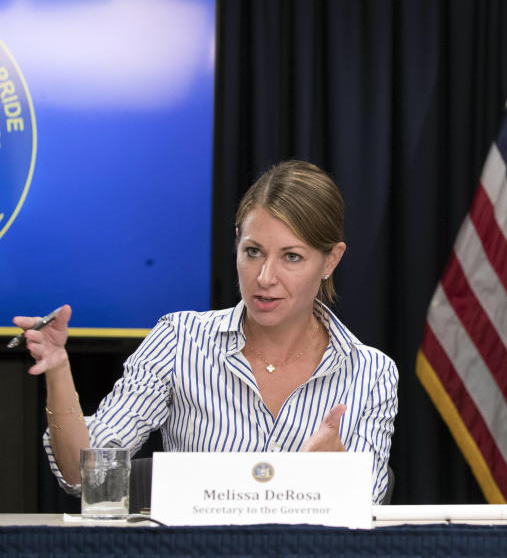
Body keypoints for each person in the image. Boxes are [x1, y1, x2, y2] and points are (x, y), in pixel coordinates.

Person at [15, 160, 398, 504]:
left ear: (331, 259)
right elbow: (85, 477)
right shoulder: (180, 340)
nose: (264, 278)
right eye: (253, 252)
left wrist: (339, 472)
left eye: (291, 257)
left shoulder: (371, 372)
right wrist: (58, 367)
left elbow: (367, 506)